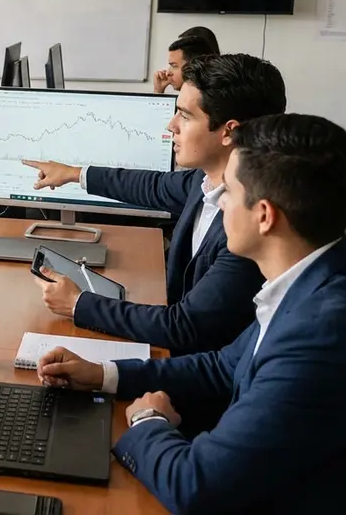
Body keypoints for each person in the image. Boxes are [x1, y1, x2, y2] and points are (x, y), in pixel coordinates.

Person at [37, 114, 346, 513]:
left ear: (265, 215)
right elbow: (223, 367)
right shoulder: (325, 275)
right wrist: (104, 375)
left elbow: (197, 488)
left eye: (229, 192)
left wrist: (148, 420)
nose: (217, 201)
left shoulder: (325, 333)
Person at [24, 54, 286, 356]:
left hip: (197, 373)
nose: (171, 125)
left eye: (185, 116)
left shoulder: (247, 226)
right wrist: (73, 174)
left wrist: (78, 303)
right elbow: (151, 185)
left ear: (228, 131)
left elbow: (184, 326)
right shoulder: (204, 182)